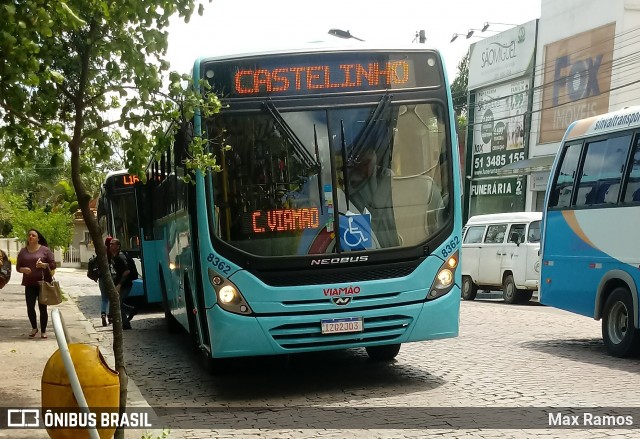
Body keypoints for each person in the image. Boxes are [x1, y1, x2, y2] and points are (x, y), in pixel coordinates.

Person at [15, 229, 56, 339]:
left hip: (43, 283)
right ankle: (34, 328)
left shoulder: (45, 250)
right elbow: (18, 267)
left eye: (33, 235)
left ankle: (43, 331)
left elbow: (53, 265)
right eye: (29, 235)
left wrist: (44, 265)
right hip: (29, 283)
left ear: (38, 238)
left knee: (43, 307)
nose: (31, 237)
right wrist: (23, 269)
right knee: (30, 306)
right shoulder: (23, 251)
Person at [108, 238, 136, 330]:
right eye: (110, 244)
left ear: (118, 246)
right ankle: (131, 311)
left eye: (113, 244)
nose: (111, 246)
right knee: (118, 303)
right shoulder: (113, 256)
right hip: (118, 284)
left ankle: (126, 324)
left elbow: (127, 271)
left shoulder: (120, 257)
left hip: (125, 285)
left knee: (118, 303)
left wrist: (119, 285)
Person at [98, 236, 113, 327]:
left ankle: (103, 314)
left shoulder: (101, 252)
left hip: (102, 278)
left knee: (104, 299)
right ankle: (110, 317)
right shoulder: (112, 253)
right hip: (111, 277)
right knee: (112, 298)